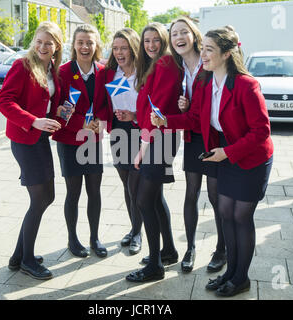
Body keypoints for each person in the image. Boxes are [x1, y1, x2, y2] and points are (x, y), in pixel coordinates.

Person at [152, 26, 273, 297]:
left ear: (227, 54)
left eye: (209, 50)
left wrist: (228, 153)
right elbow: (195, 118)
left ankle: (241, 277)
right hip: (226, 154)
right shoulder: (204, 81)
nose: (202, 54)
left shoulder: (246, 84)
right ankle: (229, 273)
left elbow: (261, 131)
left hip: (251, 158)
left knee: (241, 216)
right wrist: (166, 121)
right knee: (225, 212)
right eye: (202, 48)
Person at [0, 22, 64, 280]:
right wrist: (32, 120)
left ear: (57, 45)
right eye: (39, 41)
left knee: (47, 196)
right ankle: (26, 260)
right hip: (24, 140)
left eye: (49, 42)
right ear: (33, 42)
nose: (43, 46)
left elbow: (50, 102)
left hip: (41, 139)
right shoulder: (22, 66)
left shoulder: (51, 69)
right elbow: (4, 101)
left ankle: (18, 256)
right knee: (40, 199)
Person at [168, 17, 226, 273]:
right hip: (192, 136)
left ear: (194, 36)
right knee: (191, 192)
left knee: (215, 196)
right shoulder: (176, 66)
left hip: (212, 137)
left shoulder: (209, 64)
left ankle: (222, 248)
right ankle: (190, 248)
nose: (178, 37)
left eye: (183, 32)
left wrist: (184, 111)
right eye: (174, 34)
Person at [125, 22, 181, 283]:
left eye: (156, 40)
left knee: (144, 200)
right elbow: (149, 106)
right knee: (155, 199)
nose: (150, 45)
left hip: (159, 139)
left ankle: (155, 266)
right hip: (157, 137)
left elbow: (157, 109)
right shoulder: (154, 65)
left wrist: (142, 148)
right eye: (146, 40)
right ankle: (167, 251)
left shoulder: (165, 64)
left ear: (164, 40)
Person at [53, 24, 108, 258]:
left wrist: (100, 121)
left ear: (96, 46)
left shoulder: (104, 72)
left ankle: (94, 238)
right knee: (73, 192)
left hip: (92, 140)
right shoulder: (63, 72)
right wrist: (81, 124)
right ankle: (72, 239)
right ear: (73, 45)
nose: (85, 46)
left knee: (94, 190)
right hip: (69, 139)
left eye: (90, 42)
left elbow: (108, 103)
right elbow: (57, 109)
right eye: (80, 42)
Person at [101, 28, 144, 255]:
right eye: (116, 48)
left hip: (140, 132)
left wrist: (135, 115)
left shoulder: (144, 72)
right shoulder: (109, 73)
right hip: (118, 132)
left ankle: (138, 233)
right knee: (127, 185)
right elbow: (99, 101)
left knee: (136, 186)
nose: (119, 52)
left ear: (133, 49)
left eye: (124, 48)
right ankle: (134, 227)